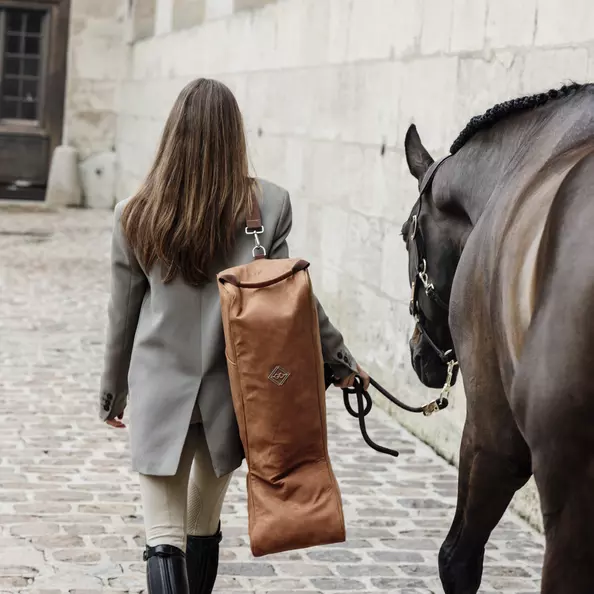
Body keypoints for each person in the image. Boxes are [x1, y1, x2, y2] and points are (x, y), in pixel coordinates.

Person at [99, 78, 370, 594]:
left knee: (163, 536)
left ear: (172, 134)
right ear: (233, 134)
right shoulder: (267, 206)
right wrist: (340, 361)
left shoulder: (134, 213)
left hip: (160, 396)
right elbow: (296, 300)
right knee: (202, 526)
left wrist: (112, 393)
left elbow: (123, 317)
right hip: (236, 398)